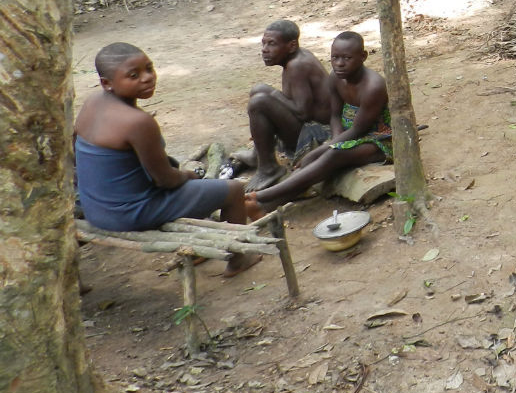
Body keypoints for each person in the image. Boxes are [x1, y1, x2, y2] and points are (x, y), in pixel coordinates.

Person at [75, 42, 259, 277]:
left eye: (149, 68)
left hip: (95, 208)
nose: (147, 78)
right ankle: (237, 262)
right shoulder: (138, 122)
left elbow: (79, 147)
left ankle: (201, 247)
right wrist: (188, 175)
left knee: (189, 185)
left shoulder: (92, 103)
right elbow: (166, 181)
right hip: (127, 214)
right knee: (232, 189)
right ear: (107, 83)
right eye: (134, 75)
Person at [246, 31, 392, 215]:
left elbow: (358, 130)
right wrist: (335, 139)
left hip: (377, 139)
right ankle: (263, 206)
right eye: (335, 58)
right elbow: (335, 116)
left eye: (347, 58)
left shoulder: (373, 86)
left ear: (363, 57)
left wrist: (326, 148)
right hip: (347, 134)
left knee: (332, 157)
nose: (339, 63)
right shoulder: (335, 78)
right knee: (320, 160)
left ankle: (261, 197)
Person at [238, 20, 332, 191]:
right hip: (308, 125)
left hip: (319, 134)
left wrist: (272, 95)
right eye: (264, 43)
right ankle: (258, 156)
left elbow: (303, 113)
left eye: (272, 44)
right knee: (258, 90)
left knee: (258, 102)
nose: (264, 49)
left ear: (291, 46)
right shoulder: (295, 59)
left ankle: (269, 170)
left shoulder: (297, 65)